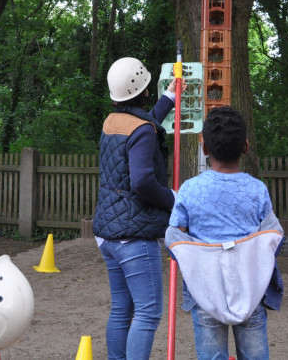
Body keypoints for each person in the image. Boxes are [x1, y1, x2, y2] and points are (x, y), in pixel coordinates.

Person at [166, 106, 284, 360]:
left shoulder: (190, 189)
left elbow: (176, 238)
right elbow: (273, 236)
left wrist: (195, 259)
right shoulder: (257, 190)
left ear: (205, 148)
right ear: (246, 146)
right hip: (251, 289)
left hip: (205, 290)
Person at [92, 56, 180, 360]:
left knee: (122, 309)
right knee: (149, 311)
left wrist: (169, 98)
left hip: (107, 232)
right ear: (143, 90)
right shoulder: (141, 130)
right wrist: (173, 198)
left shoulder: (111, 122)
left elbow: (143, 124)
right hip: (134, 235)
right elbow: (143, 182)